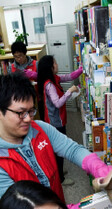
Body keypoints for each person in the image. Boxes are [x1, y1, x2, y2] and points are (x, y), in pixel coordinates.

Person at [0, 73, 112, 209]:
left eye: (31, 111)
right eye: (20, 113)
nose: (28, 119)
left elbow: (72, 149)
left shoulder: (39, 128)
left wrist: (96, 166)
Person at [37, 55, 83, 186]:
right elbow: (57, 103)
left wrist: (81, 69)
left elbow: (69, 77)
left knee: (57, 148)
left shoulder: (54, 79)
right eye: (55, 63)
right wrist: (69, 91)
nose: (57, 65)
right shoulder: (49, 85)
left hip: (57, 120)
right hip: (55, 122)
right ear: (50, 68)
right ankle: (60, 178)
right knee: (59, 148)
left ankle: (59, 172)